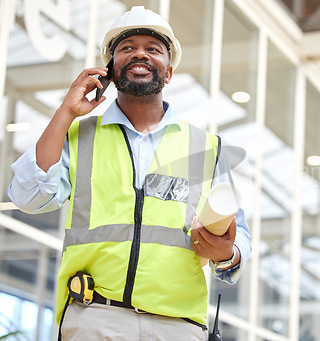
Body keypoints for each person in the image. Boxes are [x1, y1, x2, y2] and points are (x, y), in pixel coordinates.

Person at [8, 6, 251, 341]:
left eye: (153, 49)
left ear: (168, 73)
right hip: (95, 317)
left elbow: (240, 242)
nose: (140, 53)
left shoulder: (206, 148)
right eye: (127, 48)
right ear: (110, 69)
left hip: (177, 325)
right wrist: (66, 112)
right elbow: (30, 197)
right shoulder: (79, 137)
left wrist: (227, 254)